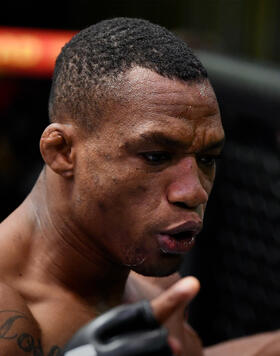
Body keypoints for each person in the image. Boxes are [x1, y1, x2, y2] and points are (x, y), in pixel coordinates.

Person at [1, 17, 278, 356]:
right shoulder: (11, 316)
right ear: (62, 152)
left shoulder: (153, 286)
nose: (194, 192)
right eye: (155, 156)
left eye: (207, 159)